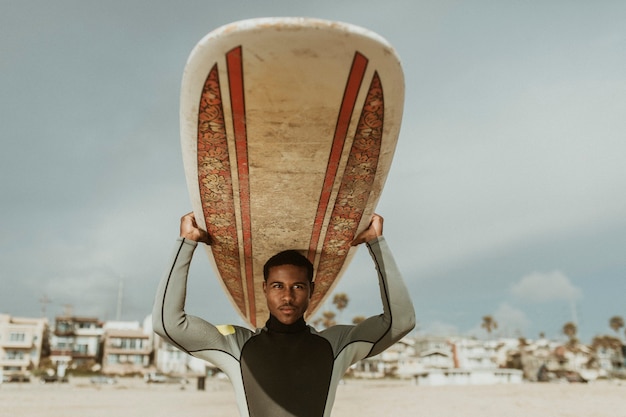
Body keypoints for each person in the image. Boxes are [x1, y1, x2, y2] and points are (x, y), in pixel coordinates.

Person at [152, 212, 415, 417]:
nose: (287, 297)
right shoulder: (236, 346)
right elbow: (167, 324)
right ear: (265, 289)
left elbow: (400, 321)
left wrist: (376, 243)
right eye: (278, 286)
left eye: (297, 287)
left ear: (311, 290)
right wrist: (186, 242)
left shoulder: (336, 345)